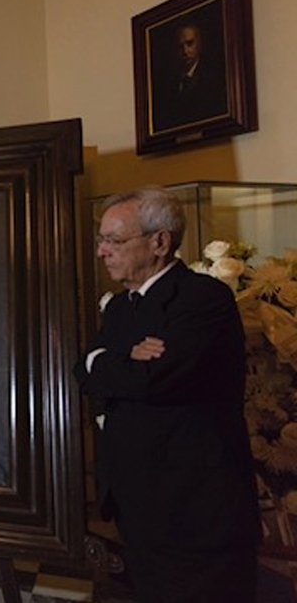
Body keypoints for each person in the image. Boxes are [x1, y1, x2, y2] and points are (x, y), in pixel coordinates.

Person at [75, 187, 260, 602]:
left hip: (196, 513)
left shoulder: (203, 298)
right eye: (101, 240)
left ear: (159, 241)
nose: (102, 251)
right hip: (138, 506)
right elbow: (81, 370)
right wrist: (112, 359)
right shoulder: (120, 307)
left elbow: (152, 380)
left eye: (114, 240)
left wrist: (105, 361)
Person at [156, 21, 227, 130]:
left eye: (190, 43)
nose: (185, 51)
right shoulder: (168, 83)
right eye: (180, 46)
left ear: (199, 44)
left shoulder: (213, 79)